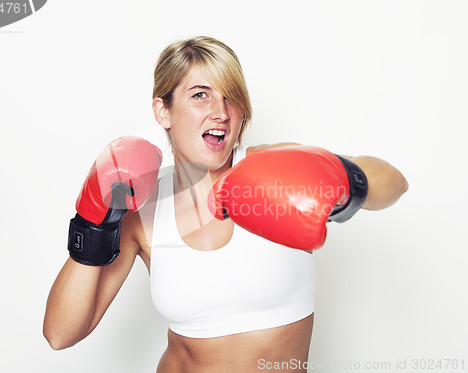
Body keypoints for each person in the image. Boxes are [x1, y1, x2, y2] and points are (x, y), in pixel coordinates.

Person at [43, 36, 408, 372]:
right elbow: (61, 334)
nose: (220, 111)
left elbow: (394, 183)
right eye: (200, 95)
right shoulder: (142, 209)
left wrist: (339, 179)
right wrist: (94, 222)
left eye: (230, 95)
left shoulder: (274, 168)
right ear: (163, 111)